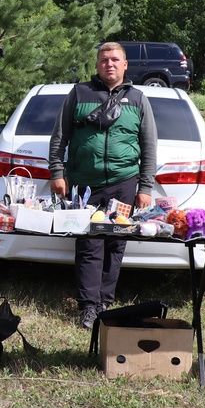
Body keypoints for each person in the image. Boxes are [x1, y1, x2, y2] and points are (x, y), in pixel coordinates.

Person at [48, 41, 157, 329]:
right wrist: (57, 172)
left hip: (123, 182)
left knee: (115, 243)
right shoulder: (79, 93)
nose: (109, 64)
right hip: (85, 184)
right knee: (88, 244)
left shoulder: (138, 98)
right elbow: (59, 137)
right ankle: (88, 306)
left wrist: (144, 188)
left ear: (125, 65)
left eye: (115, 59)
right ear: (97, 65)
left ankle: (104, 302)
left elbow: (149, 146)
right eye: (103, 60)